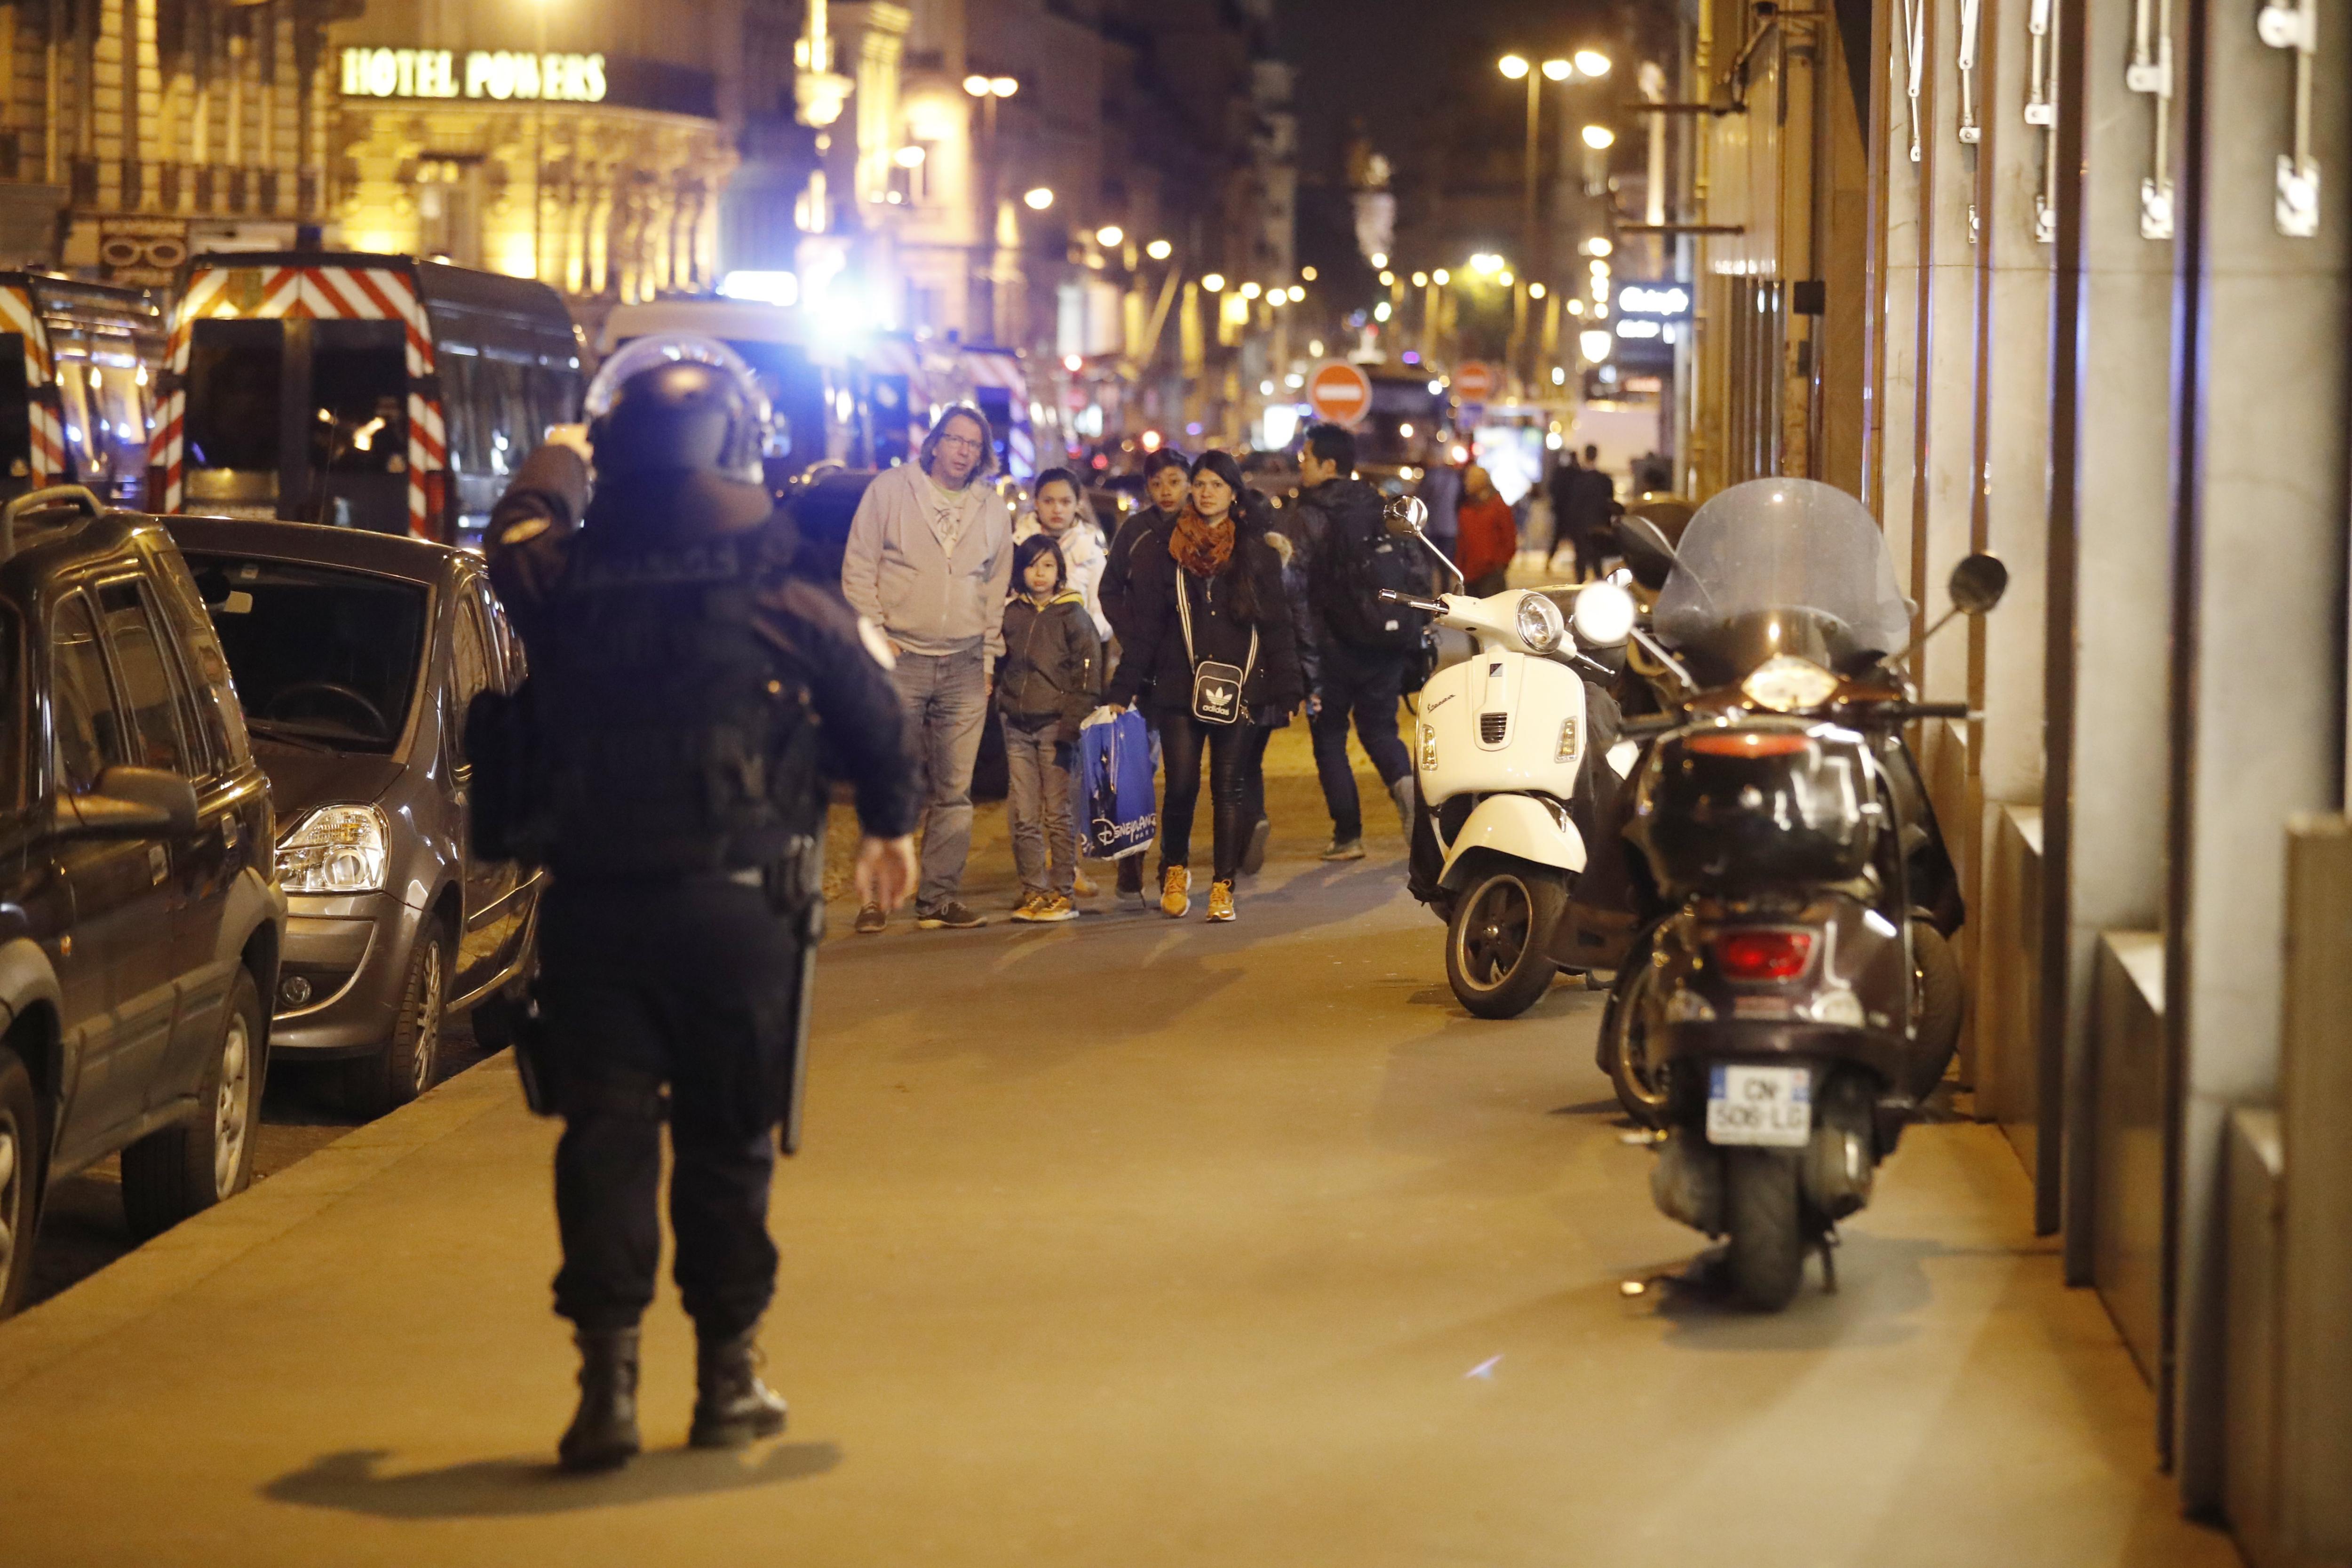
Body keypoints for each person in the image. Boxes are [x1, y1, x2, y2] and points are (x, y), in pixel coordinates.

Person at [481, 336, 920, 1474]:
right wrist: (887, 827)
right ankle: (729, 1381)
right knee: (729, 1147)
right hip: (738, 914)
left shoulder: (567, 581)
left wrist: (558, 456)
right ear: (735, 447)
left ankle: (606, 1395)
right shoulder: (782, 582)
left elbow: (515, 531)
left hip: (595, 913)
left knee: (605, 1138)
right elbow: (877, 711)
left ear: (620, 452)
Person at [1101, 450, 1302, 922]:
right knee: (1181, 785)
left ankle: (1222, 886)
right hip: (1177, 687)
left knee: (1228, 789)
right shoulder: (1164, 551)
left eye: (1217, 484)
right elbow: (1147, 628)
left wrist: (1289, 687)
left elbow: (1276, 625)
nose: (1206, 492)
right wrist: (1121, 690)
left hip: (1238, 688)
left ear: (1234, 494)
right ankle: (1174, 870)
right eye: (1201, 484)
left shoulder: (1256, 554)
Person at [840, 404, 1016, 933]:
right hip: (902, 660)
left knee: (955, 792)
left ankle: (937, 897)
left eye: (972, 444)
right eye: (954, 440)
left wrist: (986, 657)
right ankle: (874, 897)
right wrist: (877, 637)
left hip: (964, 663)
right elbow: (859, 567)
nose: (963, 451)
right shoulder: (891, 490)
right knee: (890, 780)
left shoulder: (990, 506)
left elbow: (994, 586)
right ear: (935, 443)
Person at [1291, 422, 1416, 862]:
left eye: (1306, 458)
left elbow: (1296, 583)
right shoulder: (1379, 504)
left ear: (1328, 465)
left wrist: (1303, 649)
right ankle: (1408, 790)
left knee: (1329, 736)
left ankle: (1348, 835)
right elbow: (1413, 566)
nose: (1300, 465)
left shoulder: (1310, 513)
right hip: (1386, 640)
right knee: (1381, 729)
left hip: (1332, 647)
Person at [1098, 446, 1191, 907]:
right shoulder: (1135, 531)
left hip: (1190, 672)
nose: (1165, 491)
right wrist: (1133, 635)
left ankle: (1173, 865)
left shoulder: (1202, 529)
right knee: (1136, 769)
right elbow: (1109, 588)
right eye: (1156, 484)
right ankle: (1129, 857)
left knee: (1182, 774)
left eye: (1174, 481)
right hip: (1143, 670)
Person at [998, 533, 1102, 922]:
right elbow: (1001, 664)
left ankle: (1062, 893)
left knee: (1057, 813)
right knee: (1024, 814)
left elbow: (1087, 673)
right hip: (1018, 726)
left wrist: (1072, 723)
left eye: (1047, 565)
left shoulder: (1072, 615)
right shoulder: (1013, 613)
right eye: (1030, 565)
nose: (1038, 574)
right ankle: (1034, 891)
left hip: (1056, 726)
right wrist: (1003, 705)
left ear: (1059, 570)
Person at [1016, 467, 1111, 641]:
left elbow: (1103, 617)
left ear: (1077, 504)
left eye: (1066, 502)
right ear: (1036, 502)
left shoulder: (1090, 552)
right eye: (1049, 501)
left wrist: (1079, 634)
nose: (1057, 509)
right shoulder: (1018, 547)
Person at [1455, 464, 1518, 597]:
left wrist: (1500, 563)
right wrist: (1459, 567)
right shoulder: (1466, 509)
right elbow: (1462, 541)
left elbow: (1509, 537)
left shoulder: (1498, 507)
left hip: (1491, 574)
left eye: (1471, 478)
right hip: (1469, 573)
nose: (1467, 482)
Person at [1567, 444, 1618, 581]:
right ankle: (1600, 585)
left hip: (1580, 525)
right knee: (1597, 558)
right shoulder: (1605, 480)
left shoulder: (1577, 480)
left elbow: (1573, 505)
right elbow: (1609, 504)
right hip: (1598, 525)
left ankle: (1579, 587)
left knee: (1581, 559)